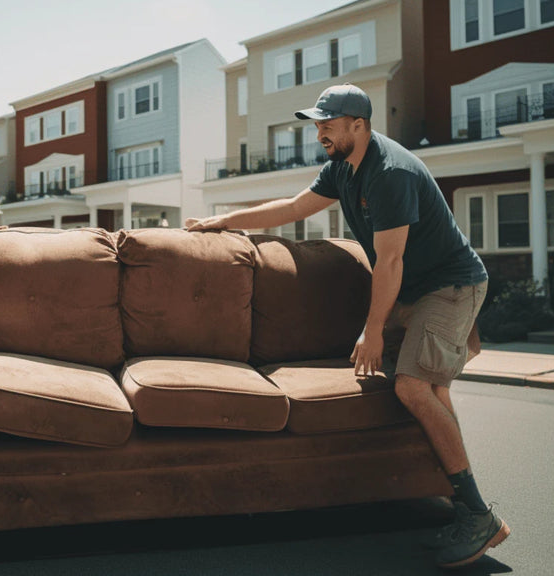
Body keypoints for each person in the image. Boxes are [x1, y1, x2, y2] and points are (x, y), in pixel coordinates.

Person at [186, 84, 508, 569]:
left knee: (414, 388)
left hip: (449, 286)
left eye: (328, 124)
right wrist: (224, 222)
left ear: (359, 124)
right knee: (432, 391)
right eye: (317, 124)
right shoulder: (342, 166)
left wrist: (373, 329)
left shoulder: (390, 172)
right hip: (417, 288)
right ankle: (455, 495)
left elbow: (392, 260)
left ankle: (478, 514)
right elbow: (295, 208)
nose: (319, 133)